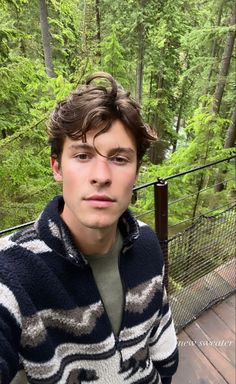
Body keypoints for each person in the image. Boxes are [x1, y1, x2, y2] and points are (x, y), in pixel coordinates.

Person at [0, 72, 178, 384]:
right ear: (57, 166)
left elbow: (161, 330)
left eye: (119, 159)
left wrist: (167, 372)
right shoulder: (13, 272)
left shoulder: (147, 243)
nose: (101, 175)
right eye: (83, 155)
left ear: (136, 172)